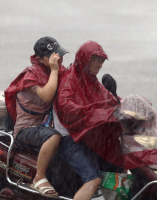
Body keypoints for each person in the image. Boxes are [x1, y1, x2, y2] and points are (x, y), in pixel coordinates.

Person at [53, 41, 123, 200]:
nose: (99, 65)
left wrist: (129, 106)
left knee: (119, 165)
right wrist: (91, 110)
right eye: (96, 60)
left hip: (88, 133)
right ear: (85, 59)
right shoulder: (69, 79)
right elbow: (65, 105)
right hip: (69, 137)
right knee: (93, 179)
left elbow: (109, 98)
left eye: (102, 61)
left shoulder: (92, 80)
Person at [4, 36, 68, 198]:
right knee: (54, 137)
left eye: (58, 54)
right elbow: (47, 95)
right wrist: (54, 70)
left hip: (47, 124)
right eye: (53, 56)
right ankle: (39, 177)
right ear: (40, 58)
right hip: (27, 129)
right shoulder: (31, 75)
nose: (58, 59)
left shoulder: (54, 70)